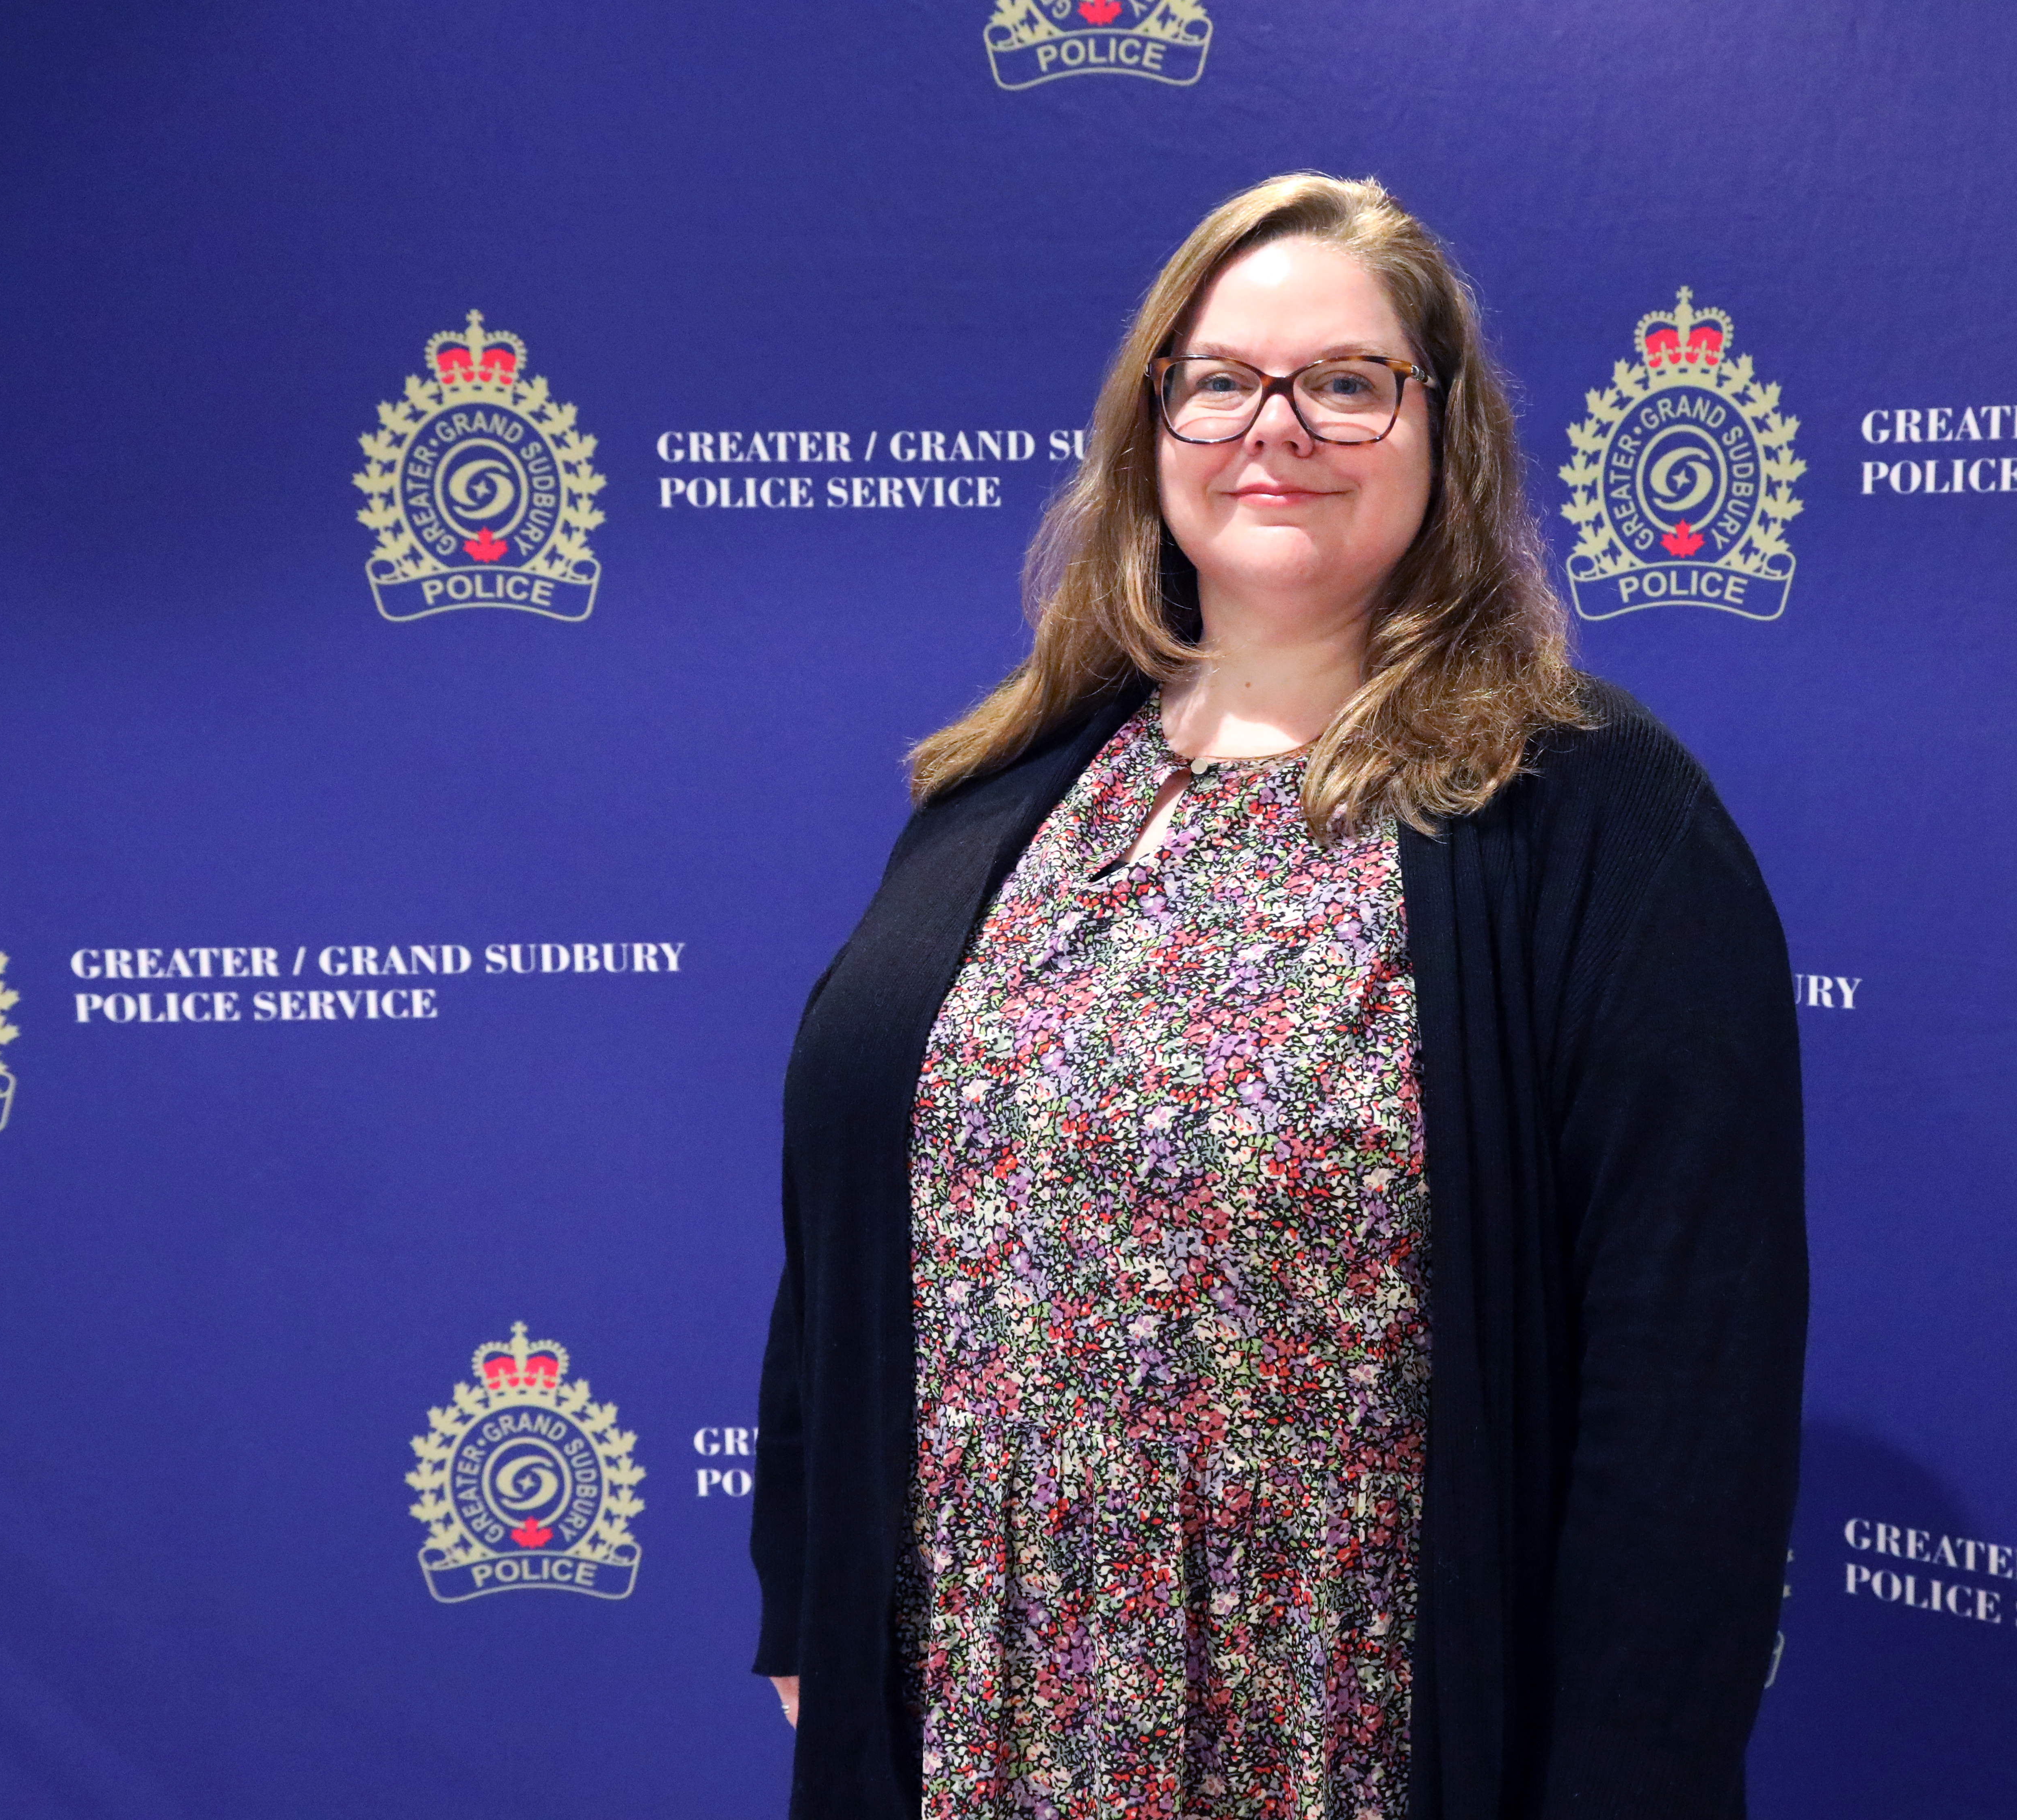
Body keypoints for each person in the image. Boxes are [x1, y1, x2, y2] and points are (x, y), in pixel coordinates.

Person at [751, 172, 1807, 1820]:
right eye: (1222, 378)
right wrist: (805, 1580)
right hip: (988, 1691)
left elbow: (1690, 1384)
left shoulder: (1592, 816)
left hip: (1347, 1715)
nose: (1276, 427)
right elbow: (850, 1213)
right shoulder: (1005, 789)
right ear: (1151, 422)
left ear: (1444, 432)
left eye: (1347, 382)